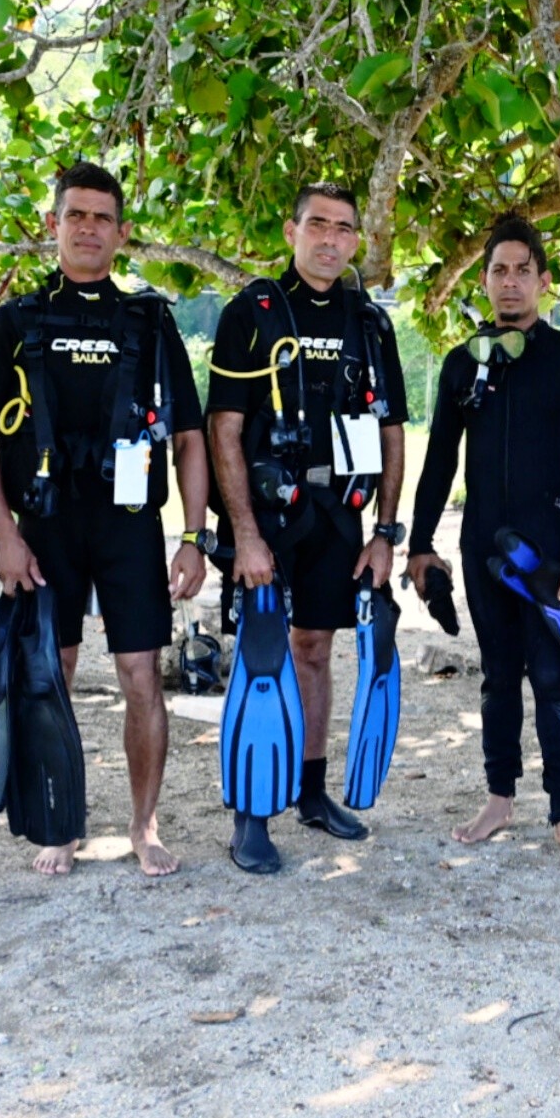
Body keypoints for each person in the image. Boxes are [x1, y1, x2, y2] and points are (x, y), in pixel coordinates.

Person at [0, 160, 208, 877]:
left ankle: (144, 823)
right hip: (43, 525)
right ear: (54, 225)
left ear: (123, 233)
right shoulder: (13, 323)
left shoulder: (151, 323)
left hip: (128, 524)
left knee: (141, 676)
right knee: (51, 673)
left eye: (103, 217)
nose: (90, 228)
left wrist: (192, 537)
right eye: (77, 215)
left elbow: (189, 439)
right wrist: (4, 536)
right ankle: (60, 821)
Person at [206, 182, 408, 874]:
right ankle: (251, 814)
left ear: (357, 240)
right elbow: (223, 430)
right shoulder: (253, 314)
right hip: (267, 515)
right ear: (292, 231)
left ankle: (312, 793)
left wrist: (386, 531)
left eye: (343, 228)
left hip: (339, 516)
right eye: (316, 224)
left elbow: (391, 434)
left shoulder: (371, 324)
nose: (330, 238)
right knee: (263, 655)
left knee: (316, 648)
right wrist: (245, 534)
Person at [406, 216, 560, 866]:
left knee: (552, 679)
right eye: (499, 270)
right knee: (498, 677)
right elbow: (439, 459)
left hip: (555, 552)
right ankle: (499, 798)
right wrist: (420, 544)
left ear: (544, 282)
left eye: (524, 270)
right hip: (480, 548)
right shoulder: (463, 363)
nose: (511, 282)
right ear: (485, 280)